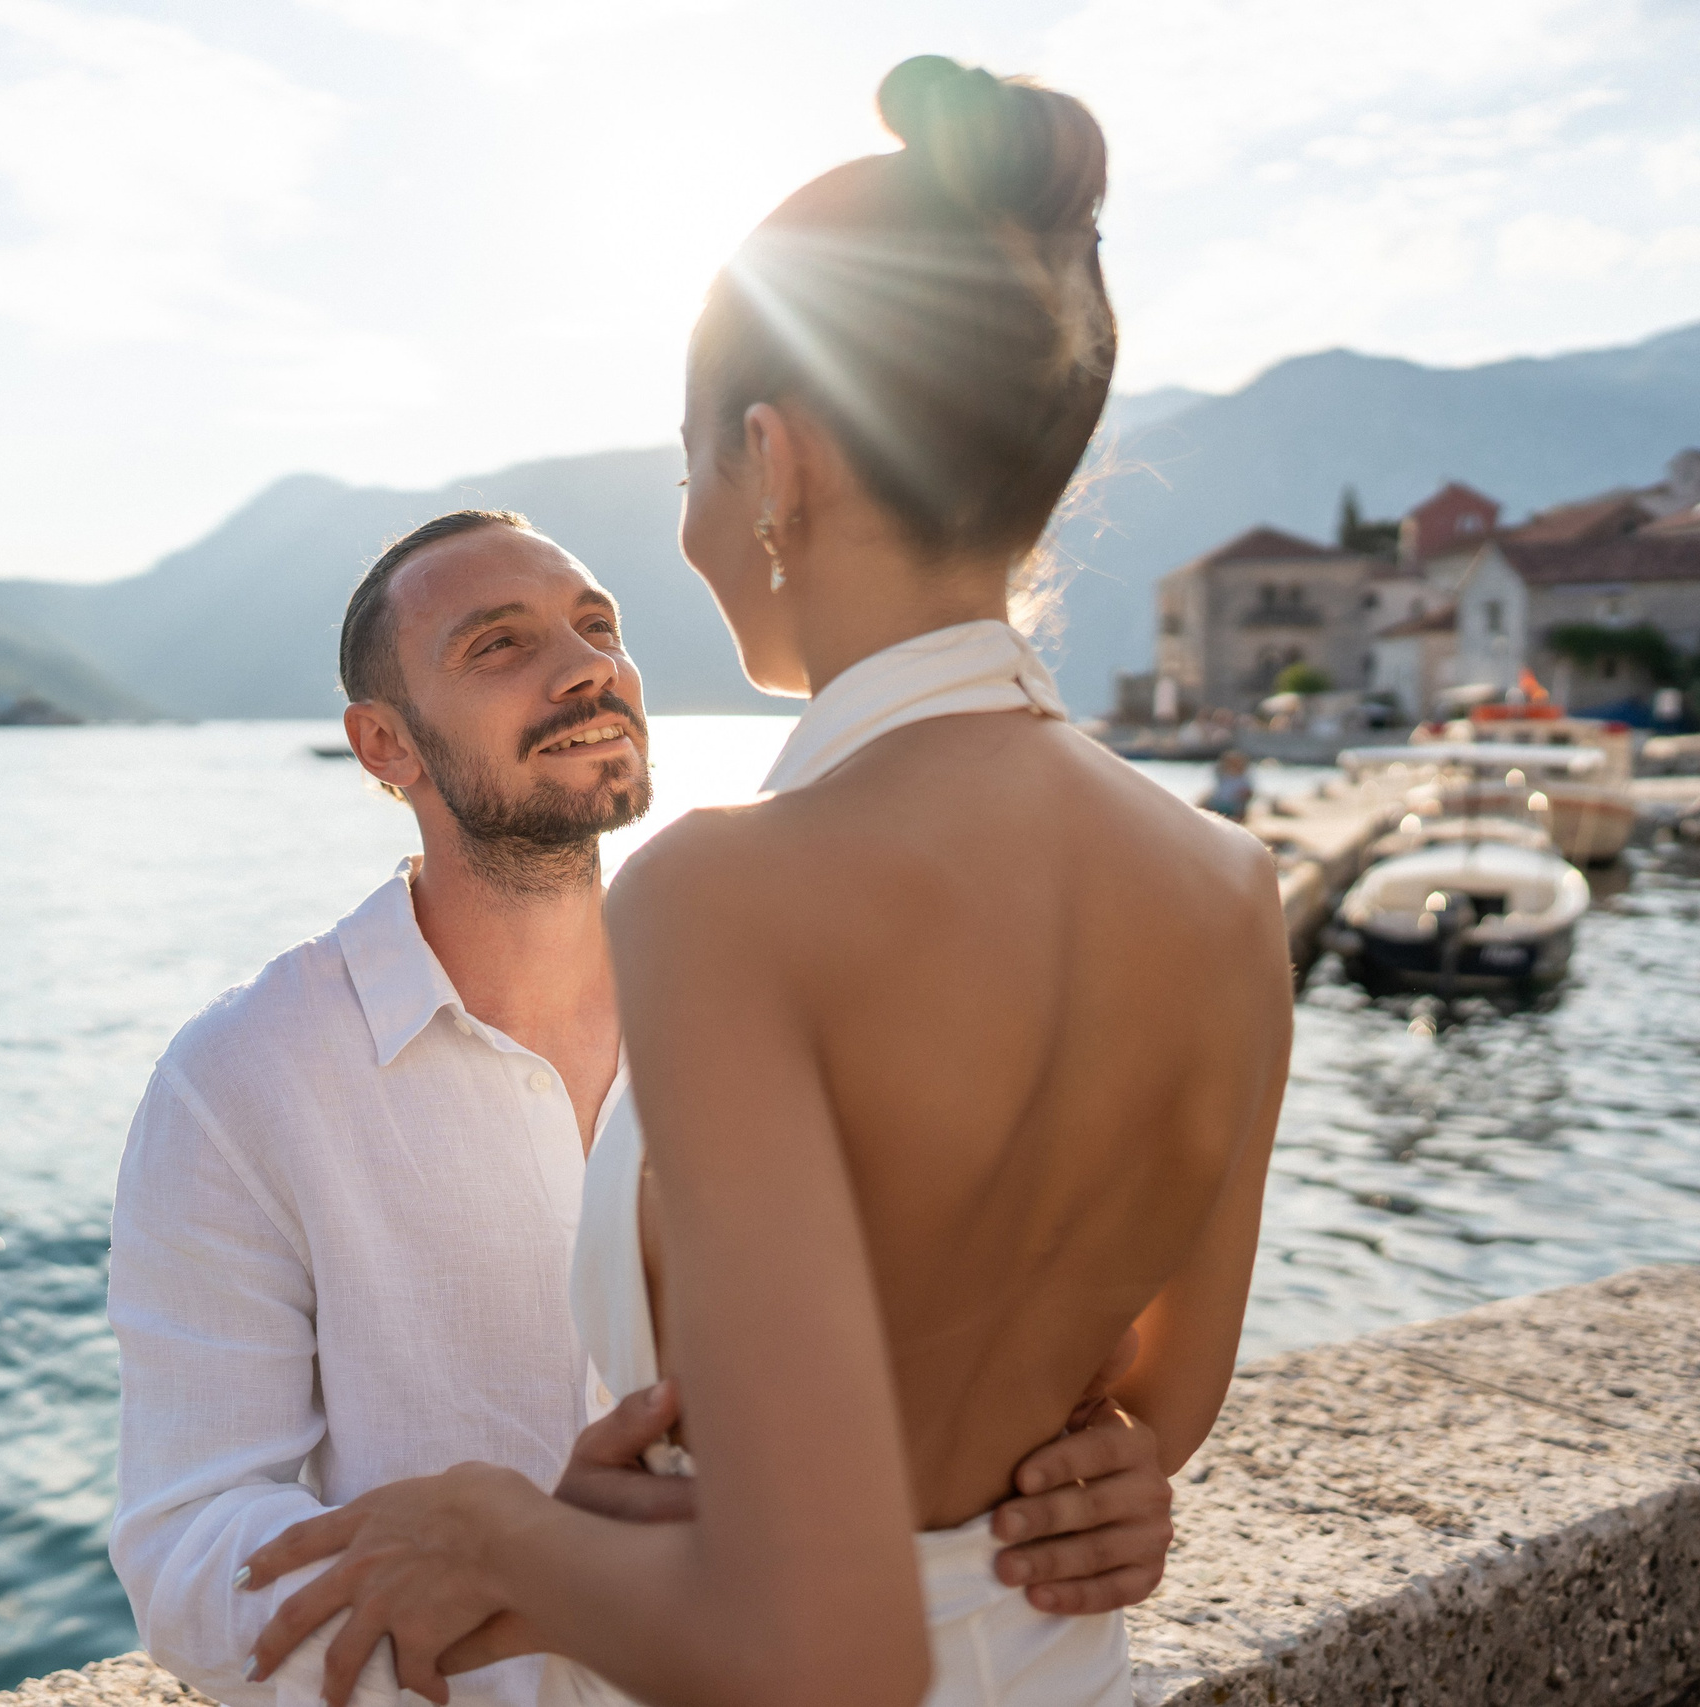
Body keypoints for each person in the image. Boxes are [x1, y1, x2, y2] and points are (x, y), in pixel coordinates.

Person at [238, 55, 1293, 1707]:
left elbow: (827, 1655)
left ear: (773, 460)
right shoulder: (1231, 887)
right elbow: (1161, 1403)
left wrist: (509, 1541)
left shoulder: (730, 891)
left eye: (686, 471)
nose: (685, 531)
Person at [107, 509, 1182, 1707]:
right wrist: (543, 1595)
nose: (587, 668)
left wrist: (1086, 1481)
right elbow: (189, 1547)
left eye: (597, 627)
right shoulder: (239, 1078)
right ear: (384, 746)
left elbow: (948, 1377)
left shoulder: (800, 1008)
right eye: (498, 646)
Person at [1202, 750, 1254, 820]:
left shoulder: (1243, 779)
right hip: (1218, 803)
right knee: (1205, 800)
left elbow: (1248, 793)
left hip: (1234, 805)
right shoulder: (1222, 776)